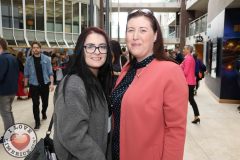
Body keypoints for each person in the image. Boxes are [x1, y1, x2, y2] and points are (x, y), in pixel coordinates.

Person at [111, 9, 188, 160]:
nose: (135, 36)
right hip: (117, 153)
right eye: (130, 30)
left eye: (143, 30)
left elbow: (175, 130)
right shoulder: (128, 69)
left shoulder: (170, 71)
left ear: (155, 35)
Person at [53, 27, 113, 160]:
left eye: (102, 47)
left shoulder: (95, 80)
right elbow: (72, 135)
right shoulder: (74, 85)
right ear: (81, 50)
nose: (97, 52)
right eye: (90, 46)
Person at [24, 41, 54, 130]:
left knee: (45, 103)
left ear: (40, 49)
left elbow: (50, 73)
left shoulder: (47, 59)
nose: (35, 49)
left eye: (37, 47)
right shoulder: (28, 60)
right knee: (35, 104)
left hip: (44, 84)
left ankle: (43, 112)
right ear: (32, 49)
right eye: (34, 47)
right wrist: (25, 86)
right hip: (34, 85)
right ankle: (37, 122)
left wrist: (51, 84)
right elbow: (26, 74)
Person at [0, 37, 19, 143]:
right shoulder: (12, 57)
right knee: (8, 112)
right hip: (12, 90)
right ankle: (12, 134)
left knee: (5, 113)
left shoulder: (2, 58)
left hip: (4, 91)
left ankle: (8, 137)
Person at [181, 45, 200, 124]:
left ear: (188, 50)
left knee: (189, 100)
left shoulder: (188, 59)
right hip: (190, 82)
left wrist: (178, 73)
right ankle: (196, 116)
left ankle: (196, 116)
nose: (183, 50)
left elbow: (185, 72)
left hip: (188, 83)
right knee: (191, 99)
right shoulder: (188, 58)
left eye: (184, 49)